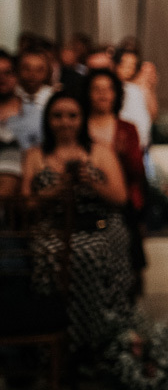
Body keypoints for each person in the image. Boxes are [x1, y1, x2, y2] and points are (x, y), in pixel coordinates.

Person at [21, 92, 133, 357]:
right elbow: (27, 204)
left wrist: (91, 182)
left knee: (91, 251)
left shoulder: (99, 152)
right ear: (48, 120)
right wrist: (56, 189)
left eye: (72, 116)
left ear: (82, 119)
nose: (65, 122)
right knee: (55, 254)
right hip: (53, 228)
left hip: (99, 224)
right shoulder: (36, 155)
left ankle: (95, 339)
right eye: (57, 116)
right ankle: (60, 341)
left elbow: (120, 197)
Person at [84, 69, 148, 280]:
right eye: (97, 89)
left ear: (115, 94)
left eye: (108, 89)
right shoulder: (79, 127)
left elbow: (138, 172)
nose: (103, 95)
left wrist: (123, 155)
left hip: (121, 200)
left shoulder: (126, 129)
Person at [0, 51, 43, 196]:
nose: (2, 79)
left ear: (16, 76)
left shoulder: (36, 117)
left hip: (26, 197)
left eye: (8, 73)